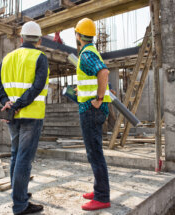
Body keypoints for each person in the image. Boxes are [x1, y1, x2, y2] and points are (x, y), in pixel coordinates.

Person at [0, 21, 49, 215]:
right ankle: (20, 204)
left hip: (12, 116)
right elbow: (37, 88)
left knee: (16, 155)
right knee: (24, 158)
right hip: (31, 115)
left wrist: (6, 102)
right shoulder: (40, 58)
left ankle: (19, 194)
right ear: (39, 40)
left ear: (21, 38)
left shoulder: (7, 58)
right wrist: (17, 105)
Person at [74, 18, 112, 211]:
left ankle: (102, 196)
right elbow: (92, 77)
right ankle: (99, 189)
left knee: (95, 153)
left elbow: (103, 72)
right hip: (91, 108)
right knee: (94, 152)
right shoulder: (91, 52)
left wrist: (98, 97)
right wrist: (80, 90)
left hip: (91, 110)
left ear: (78, 35)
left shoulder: (86, 54)